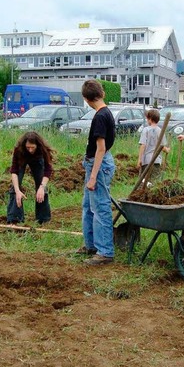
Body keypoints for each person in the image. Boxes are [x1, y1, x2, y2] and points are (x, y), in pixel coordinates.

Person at [77, 79, 116, 266]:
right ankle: (91, 245)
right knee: (88, 206)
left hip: (98, 166)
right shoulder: (105, 112)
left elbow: (101, 149)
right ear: (102, 93)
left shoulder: (100, 116)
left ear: (86, 99)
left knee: (100, 207)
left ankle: (105, 252)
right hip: (94, 162)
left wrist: (93, 176)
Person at [7, 131, 54, 225]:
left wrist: (41, 187)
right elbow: (14, 171)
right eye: (28, 147)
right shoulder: (19, 149)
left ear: (37, 145)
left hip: (37, 160)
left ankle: (43, 218)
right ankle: (15, 218)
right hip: (22, 158)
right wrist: (17, 190)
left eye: (33, 147)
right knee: (15, 187)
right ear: (24, 145)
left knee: (41, 188)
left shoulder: (42, 149)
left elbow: (48, 170)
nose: (30, 150)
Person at [137, 108, 170, 182]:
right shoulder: (160, 131)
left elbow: (143, 145)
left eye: (147, 118)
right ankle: (151, 191)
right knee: (154, 181)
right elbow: (162, 147)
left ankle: (144, 191)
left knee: (143, 180)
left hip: (146, 160)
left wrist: (139, 159)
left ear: (150, 119)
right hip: (156, 160)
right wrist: (167, 150)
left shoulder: (145, 130)